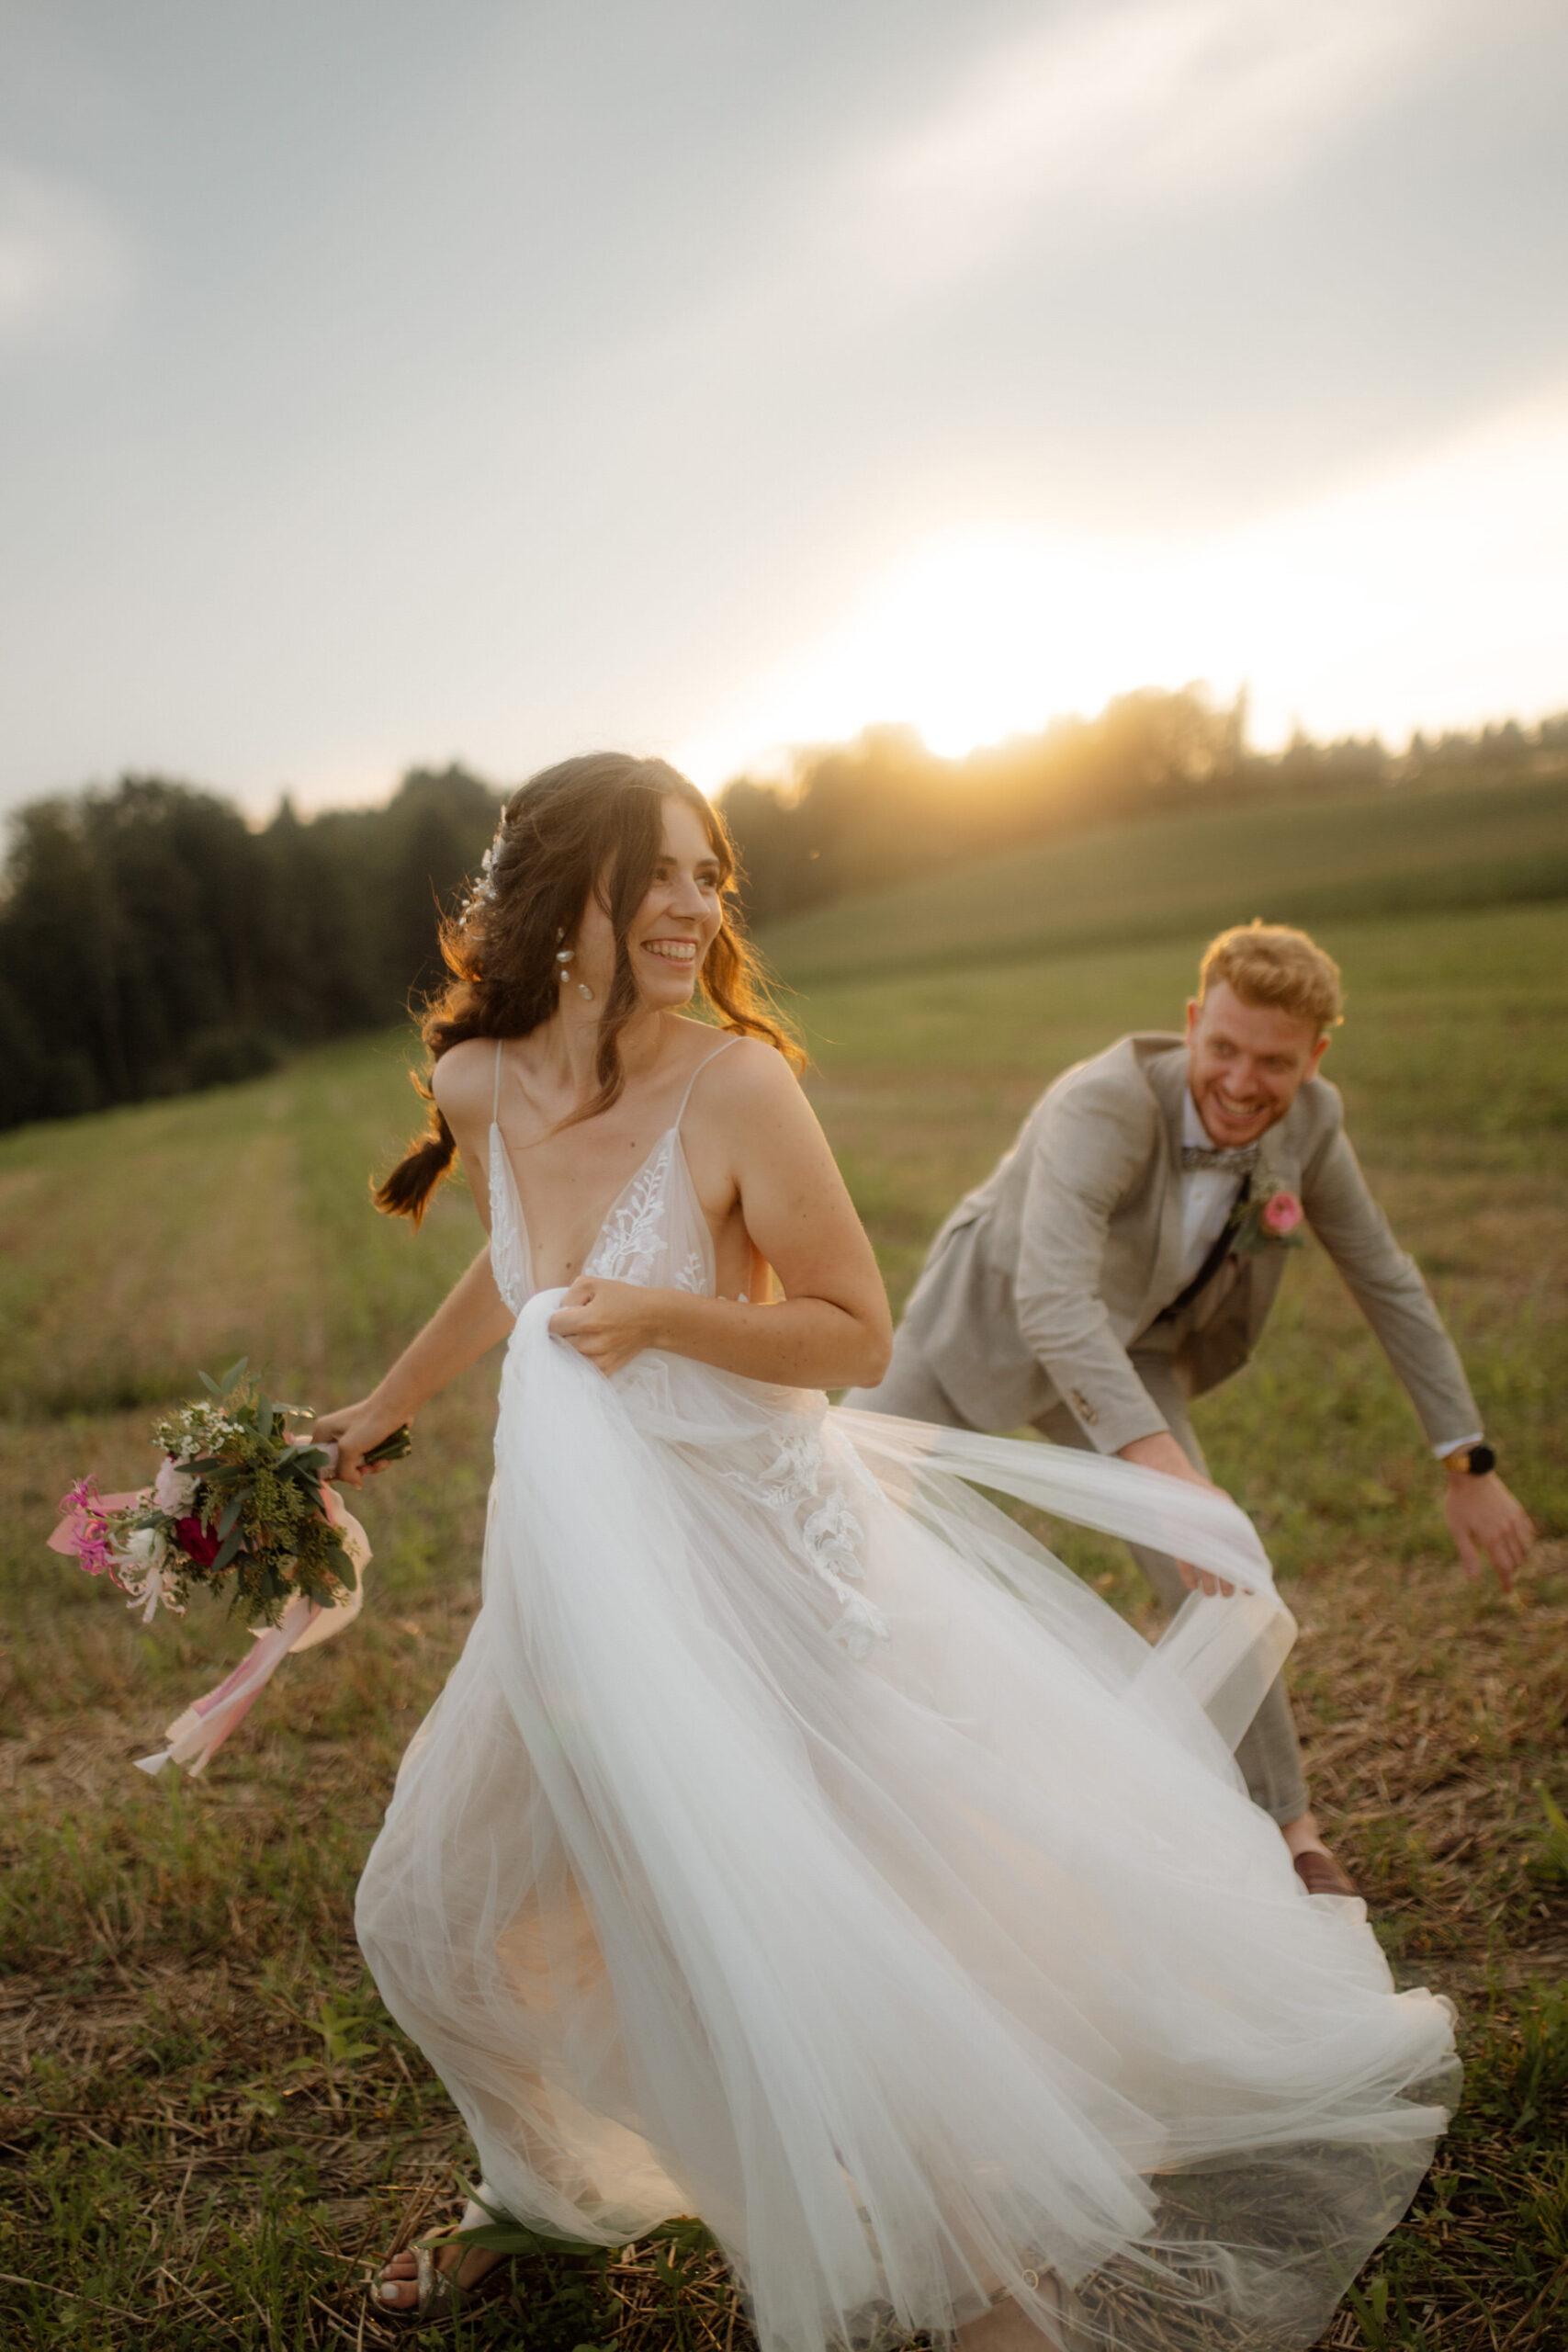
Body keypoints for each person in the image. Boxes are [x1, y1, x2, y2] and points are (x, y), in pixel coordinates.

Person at [317, 760, 1457, 2352]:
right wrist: (374, 1414)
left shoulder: (735, 1088)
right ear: (561, 886)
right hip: (575, 1567)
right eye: (659, 872)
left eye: (711, 876)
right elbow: (515, 1270)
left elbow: (849, 1336)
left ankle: (983, 2274)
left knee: (800, 1919)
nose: (696, 905)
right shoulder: (480, 1087)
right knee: (425, 1909)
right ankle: (555, 2189)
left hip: (757, 1564)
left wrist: (660, 1318)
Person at [845, 922, 1534, 1897]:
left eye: (1275, 1062)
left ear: (1316, 1058)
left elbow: (1384, 1277)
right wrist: (1162, 1467)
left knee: (1223, 1572)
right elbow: (1050, 1300)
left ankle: (1289, 1825)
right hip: (983, 1322)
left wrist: (1468, 1459)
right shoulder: (1105, 1100)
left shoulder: (1312, 1124)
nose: (1244, 1082)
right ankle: (793, 1753)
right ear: (1190, 1023)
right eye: (1224, 1049)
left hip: (1132, 1351)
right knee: (830, 1515)